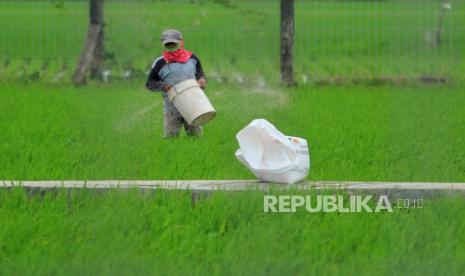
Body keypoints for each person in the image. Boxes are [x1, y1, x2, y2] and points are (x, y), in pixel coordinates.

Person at [146, 29, 207, 138]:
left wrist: (202, 79)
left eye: (173, 43)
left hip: (193, 105)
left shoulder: (192, 58)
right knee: (171, 138)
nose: (171, 46)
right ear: (163, 45)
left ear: (181, 42)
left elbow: (200, 73)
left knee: (196, 138)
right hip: (171, 108)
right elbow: (150, 83)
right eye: (168, 44)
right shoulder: (160, 63)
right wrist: (162, 86)